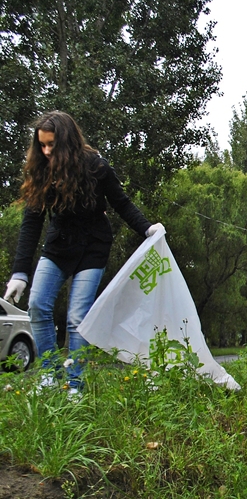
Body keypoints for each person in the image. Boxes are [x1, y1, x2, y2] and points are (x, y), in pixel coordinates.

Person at [3, 111, 162, 392]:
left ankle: (74, 385)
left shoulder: (96, 167)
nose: (47, 151)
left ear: (67, 142)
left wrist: (147, 229)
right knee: (37, 306)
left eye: (52, 144)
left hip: (93, 247)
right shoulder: (42, 171)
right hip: (58, 246)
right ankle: (51, 376)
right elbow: (31, 223)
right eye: (42, 145)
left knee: (77, 317)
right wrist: (19, 273)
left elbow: (121, 203)